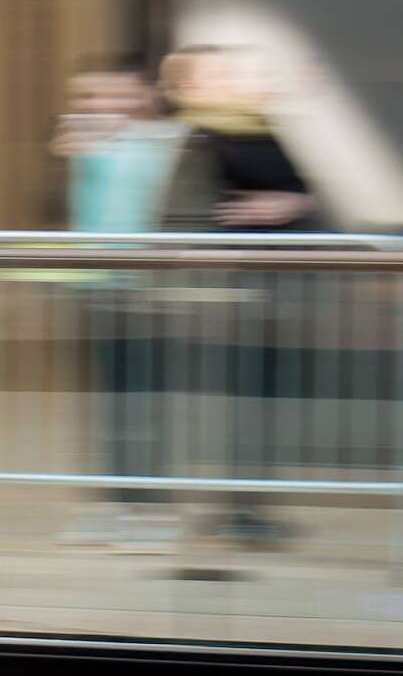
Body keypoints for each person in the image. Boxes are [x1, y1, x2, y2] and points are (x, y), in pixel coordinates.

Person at [156, 45, 320, 549]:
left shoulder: (253, 128)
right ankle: (239, 508)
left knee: (258, 409)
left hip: (266, 295)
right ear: (188, 87)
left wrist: (290, 203)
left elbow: (302, 195)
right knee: (240, 409)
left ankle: (247, 504)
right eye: (217, 74)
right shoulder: (201, 137)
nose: (231, 80)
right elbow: (190, 214)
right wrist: (273, 207)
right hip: (233, 299)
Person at [47, 56, 190, 552]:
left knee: (148, 403)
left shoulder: (167, 141)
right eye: (89, 97)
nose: (100, 106)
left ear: (143, 93)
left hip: (150, 292)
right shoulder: (85, 144)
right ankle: (112, 504)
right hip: (97, 289)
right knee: (108, 403)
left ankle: (150, 507)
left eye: (112, 94)